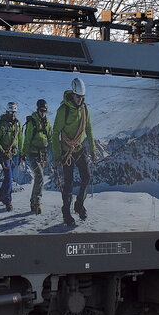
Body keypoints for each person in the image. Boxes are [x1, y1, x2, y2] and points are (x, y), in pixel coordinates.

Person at [52, 78, 94, 226]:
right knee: (68, 184)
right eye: (78, 97)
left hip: (80, 149)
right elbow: (55, 132)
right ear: (73, 94)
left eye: (82, 97)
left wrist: (93, 149)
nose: (80, 100)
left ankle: (79, 205)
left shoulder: (84, 108)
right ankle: (66, 212)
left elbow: (88, 128)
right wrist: (57, 156)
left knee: (86, 177)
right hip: (66, 152)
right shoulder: (64, 109)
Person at [21, 99, 52, 215]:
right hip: (32, 154)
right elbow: (27, 139)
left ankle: (32, 202)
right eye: (41, 110)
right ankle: (37, 202)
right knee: (40, 176)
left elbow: (50, 138)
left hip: (42, 155)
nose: (43, 113)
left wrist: (54, 151)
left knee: (38, 179)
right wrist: (23, 153)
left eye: (45, 111)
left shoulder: (47, 123)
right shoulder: (32, 122)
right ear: (37, 109)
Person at [0, 101, 22, 210]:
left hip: (14, 154)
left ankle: (2, 194)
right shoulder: (0, 124)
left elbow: (20, 139)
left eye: (14, 112)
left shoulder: (18, 124)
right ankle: (8, 200)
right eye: (10, 112)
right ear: (6, 111)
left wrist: (21, 152)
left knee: (9, 177)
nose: (13, 114)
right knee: (9, 177)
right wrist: (2, 151)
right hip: (4, 154)